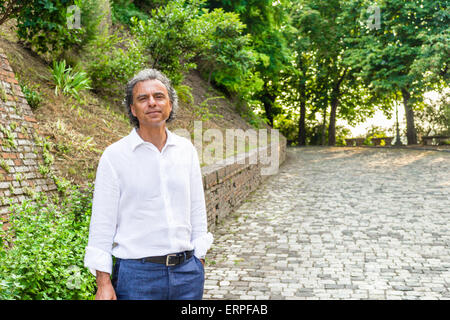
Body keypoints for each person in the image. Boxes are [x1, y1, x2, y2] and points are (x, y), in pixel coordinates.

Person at [84, 68, 213, 300]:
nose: (152, 103)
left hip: (187, 274)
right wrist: (103, 282)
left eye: (159, 96)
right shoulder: (115, 156)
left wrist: (199, 260)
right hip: (137, 277)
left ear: (170, 105)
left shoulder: (186, 150)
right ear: (133, 109)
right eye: (143, 98)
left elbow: (197, 210)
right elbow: (102, 224)